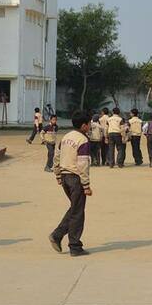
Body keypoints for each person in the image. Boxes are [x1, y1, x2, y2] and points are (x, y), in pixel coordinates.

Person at [49, 110, 92, 257]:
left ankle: (58, 235)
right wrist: (86, 185)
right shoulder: (83, 140)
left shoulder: (66, 137)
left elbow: (57, 156)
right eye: (89, 123)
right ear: (84, 125)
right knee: (78, 213)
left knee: (75, 209)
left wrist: (57, 174)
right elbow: (83, 164)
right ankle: (74, 245)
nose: (90, 126)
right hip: (76, 178)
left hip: (65, 176)